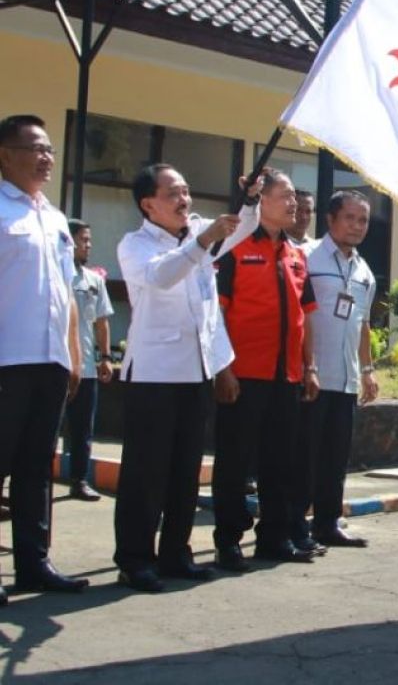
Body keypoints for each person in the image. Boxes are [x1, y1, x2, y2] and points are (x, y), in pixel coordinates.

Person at [114, 163, 262, 592]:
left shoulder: (200, 233)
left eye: (186, 191)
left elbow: (243, 226)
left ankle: (175, 553)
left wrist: (250, 198)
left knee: (184, 471)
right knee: (146, 473)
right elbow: (162, 277)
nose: (185, 200)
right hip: (154, 375)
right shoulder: (135, 245)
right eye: (173, 193)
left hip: (195, 372)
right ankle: (135, 559)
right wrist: (202, 241)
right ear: (148, 203)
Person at [212, 167, 320, 571]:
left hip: (286, 377)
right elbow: (217, 315)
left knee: (281, 462)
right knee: (235, 463)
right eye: (285, 195)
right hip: (244, 376)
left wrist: (309, 367)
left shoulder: (296, 255)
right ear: (263, 200)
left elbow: (305, 317)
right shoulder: (237, 249)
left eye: (294, 197)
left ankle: (274, 538)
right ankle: (228, 541)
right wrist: (223, 369)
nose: (294, 204)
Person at [0, 114, 87, 604]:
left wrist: (73, 353)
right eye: (34, 148)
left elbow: (67, 292)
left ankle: (33, 564)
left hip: (50, 360)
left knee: (37, 467)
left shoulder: (54, 218)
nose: (45, 157)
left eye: (49, 148)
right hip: (6, 359)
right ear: (5, 155)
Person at [294, 190, 379, 550]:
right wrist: (305, 365)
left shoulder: (364, 270)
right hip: (312, 376)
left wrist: (368, 369)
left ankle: (327, 523)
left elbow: (362, 323)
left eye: (363, 220)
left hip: (345, 380)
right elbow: (297, 317)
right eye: (350, 218)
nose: (357, 226)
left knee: (334, 457)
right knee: (304, 457)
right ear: (330, 219)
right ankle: (293, 527)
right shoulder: (306, 257)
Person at [63, 218, 115, 502]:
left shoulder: (94, 280)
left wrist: (105, 356)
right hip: (57, 365)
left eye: (90, 240)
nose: (88, 245)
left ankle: (79, 480)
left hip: (85, 368)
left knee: (83, 428)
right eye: (84, 240)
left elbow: (102, 322)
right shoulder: (56, 275)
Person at [286, 189, 318, 254]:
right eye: (298, 210)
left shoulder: (317, 249)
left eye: (308, 211)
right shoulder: (274, 245)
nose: (303, 217)